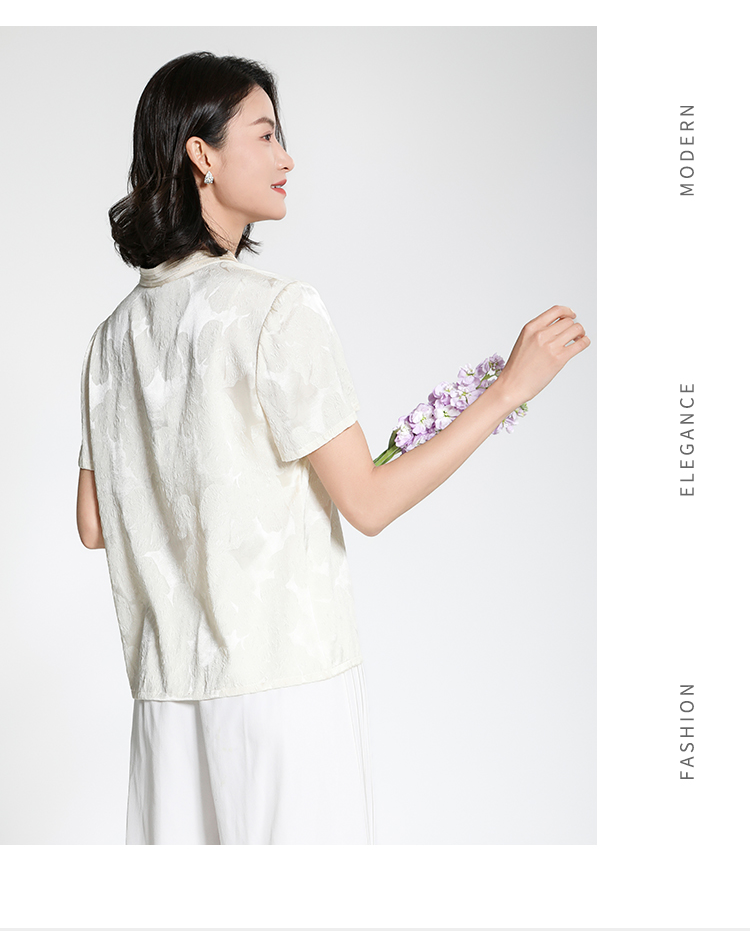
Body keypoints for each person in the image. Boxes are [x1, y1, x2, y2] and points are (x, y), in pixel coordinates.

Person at [75, 51, 590, 846]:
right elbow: (369, 502)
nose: (287, 158)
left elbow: (94, 524)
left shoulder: (111, 338)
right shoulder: (276, 310)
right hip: (286, 690)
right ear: (201, 155)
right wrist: (506, 391)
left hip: (166, 703)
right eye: (266, 134)